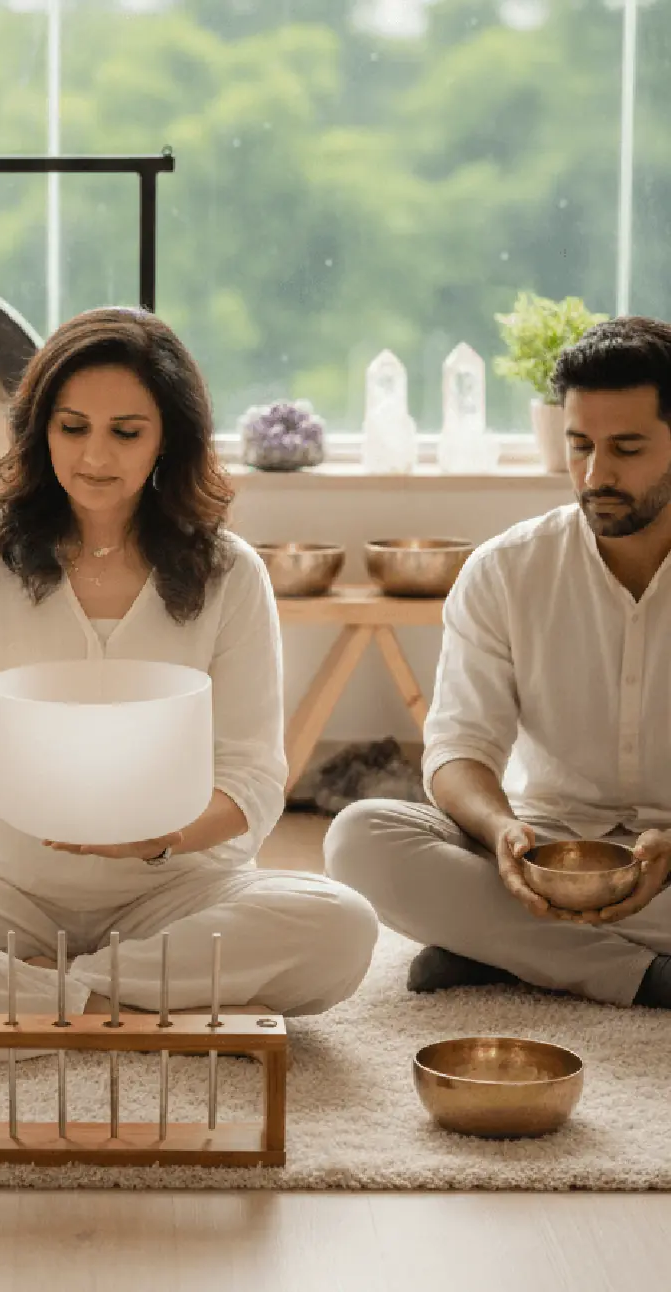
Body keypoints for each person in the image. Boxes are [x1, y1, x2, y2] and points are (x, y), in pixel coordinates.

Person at [0, 307, 377, 1036]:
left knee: (339, 925)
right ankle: (110, 1010)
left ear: (166, 441)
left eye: (126, 432)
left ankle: (32, 1002)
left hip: (174, 892)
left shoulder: (228, 574)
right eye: (72, 427)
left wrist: (155, 837)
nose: (95, 455)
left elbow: (251, 780)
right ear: (40, 430)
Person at [325, 315, 671, 1009]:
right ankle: (638, 974)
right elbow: (457, 750)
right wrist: (500, 831)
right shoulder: (507, 569)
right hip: (543, 847)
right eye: (580, 445)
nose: (597, 474)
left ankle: (506, 949)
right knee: (360, 840)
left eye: (627, 448)